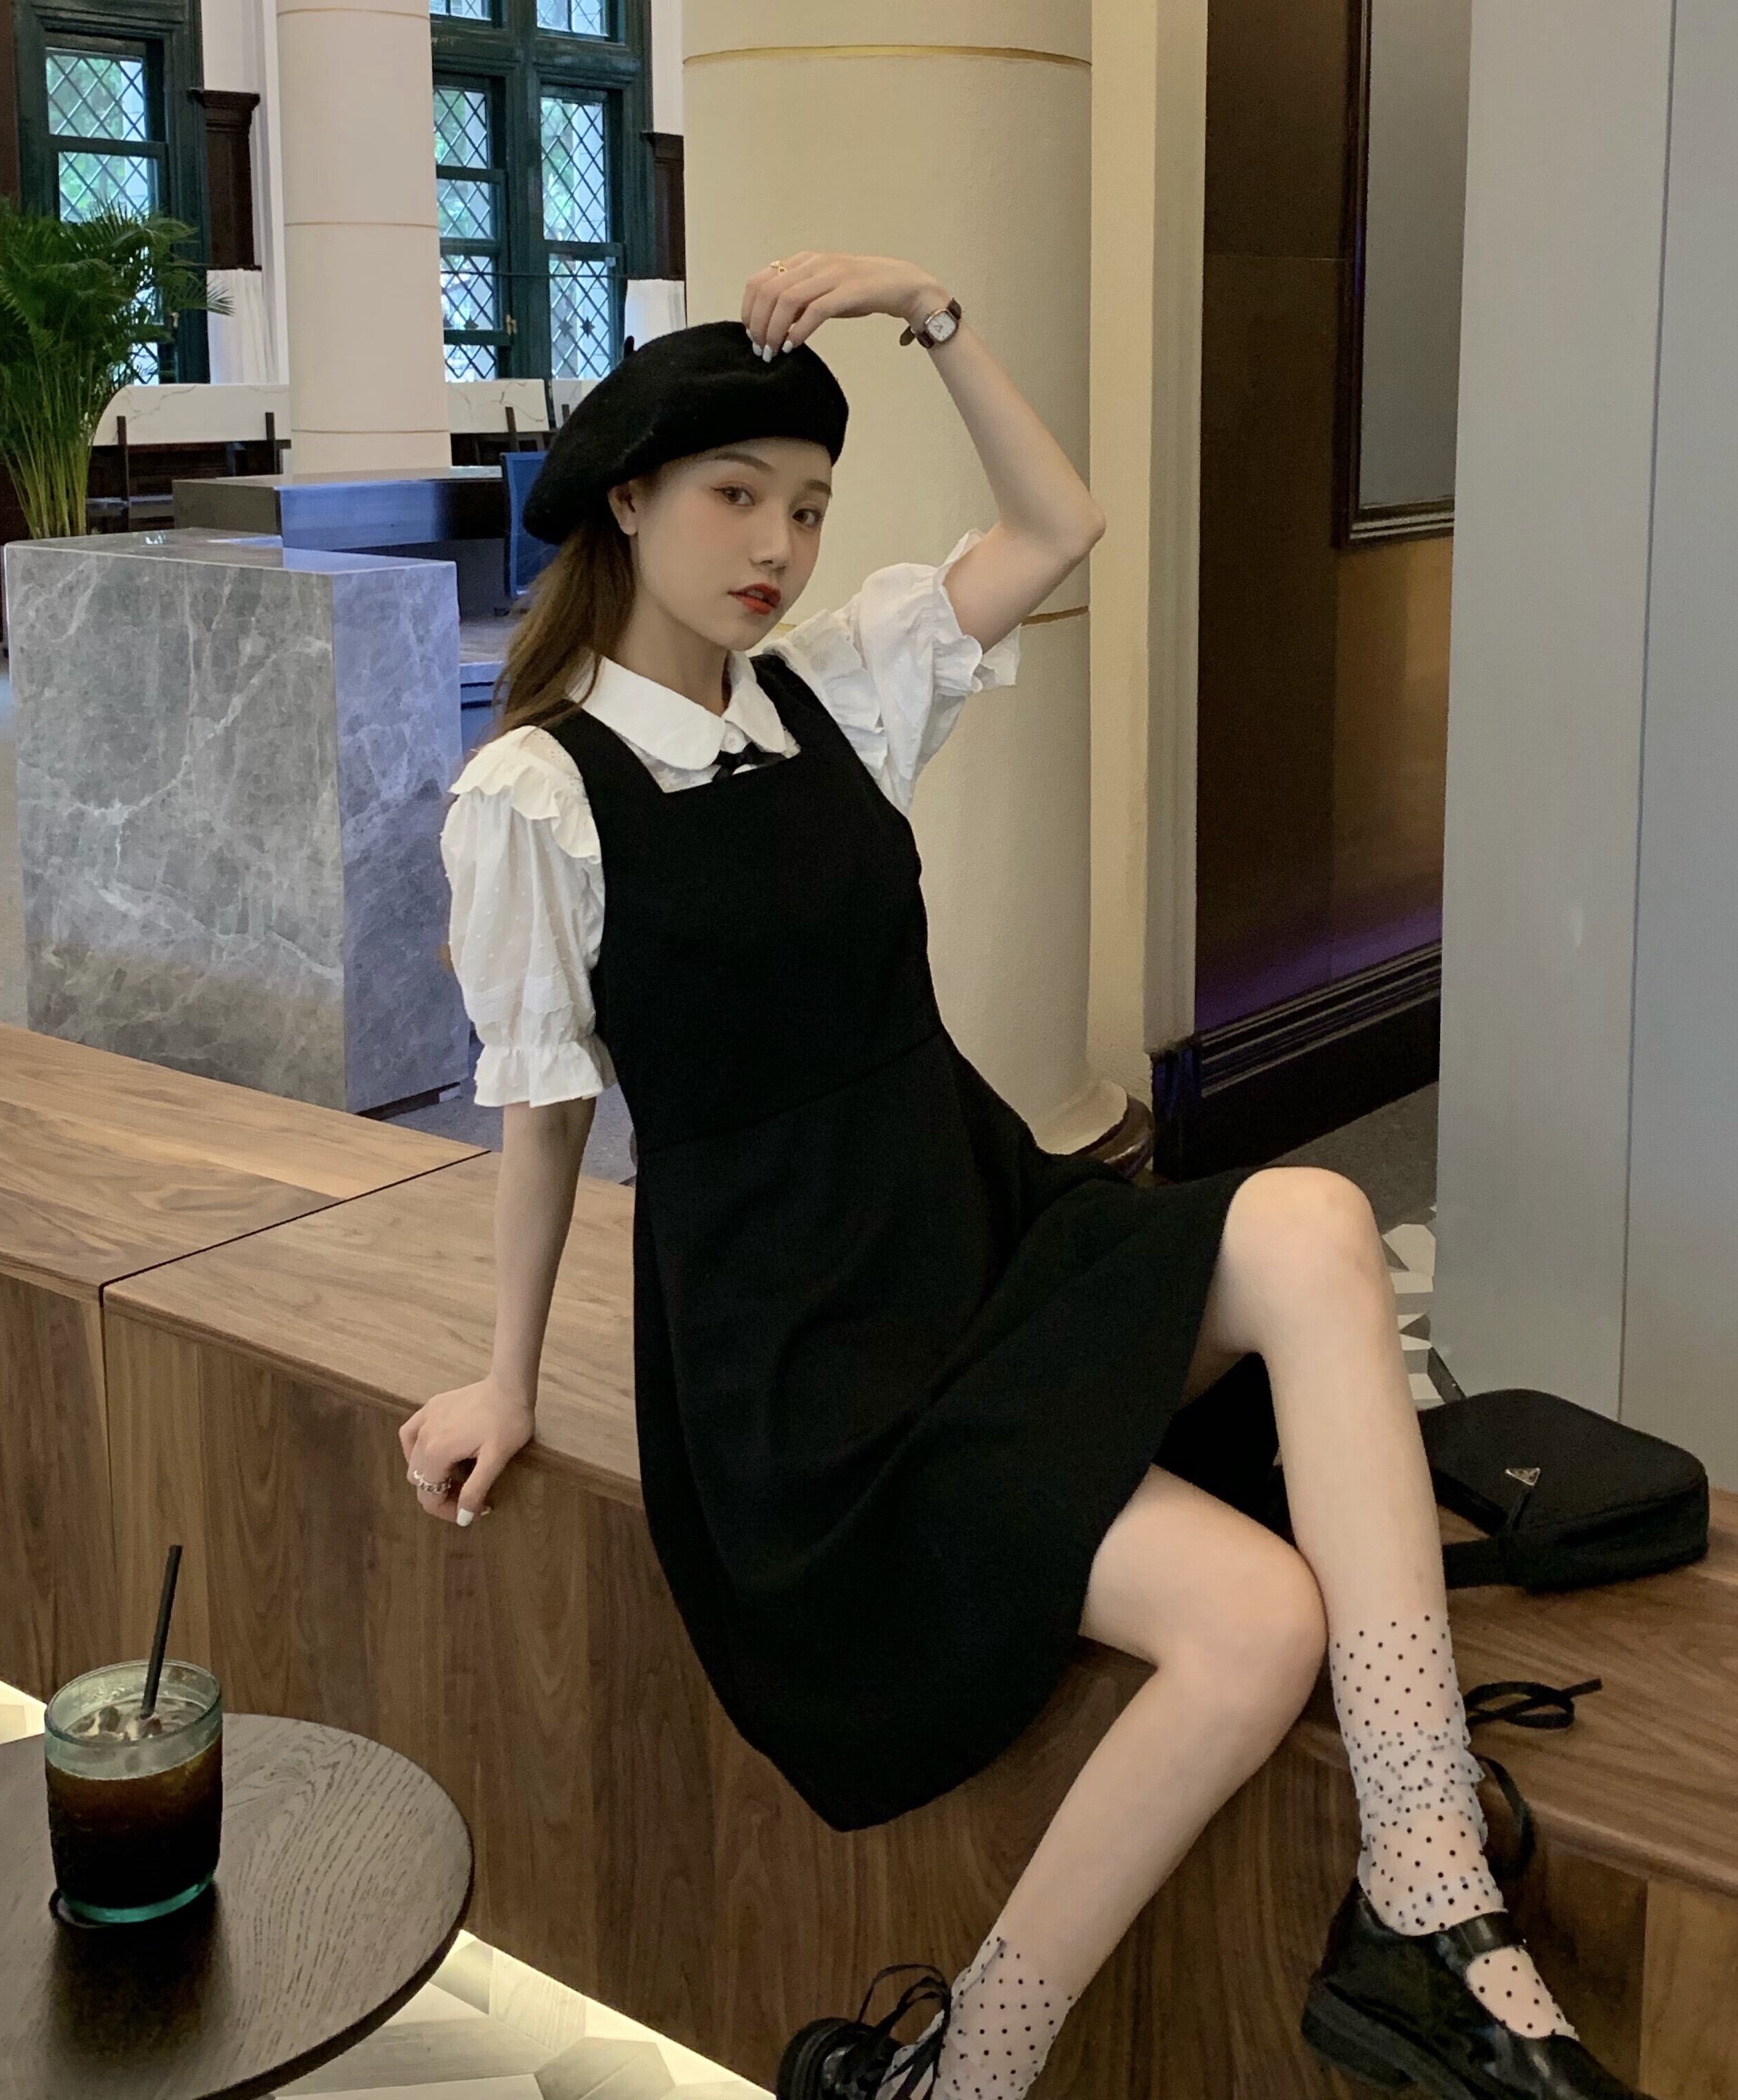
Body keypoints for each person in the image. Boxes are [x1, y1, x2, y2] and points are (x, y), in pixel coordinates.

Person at [402, 251, 1648, 2100]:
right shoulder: (538, 794)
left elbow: (1060, 522)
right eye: (737, 495)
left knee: (1315, 1218)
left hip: (980, 1229)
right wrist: (504, 1379)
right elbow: (544, 1110)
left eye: (809, 506)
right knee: (1256, 1621)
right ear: (629, 503)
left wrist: (935, 314)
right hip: (810, 1362)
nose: (779, 545)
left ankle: (1428, 1889)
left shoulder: (830, 692)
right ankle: (970, 2068)